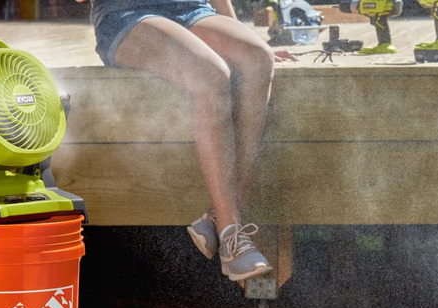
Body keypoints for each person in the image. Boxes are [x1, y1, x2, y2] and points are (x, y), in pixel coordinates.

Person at [77, 0, 297, 281]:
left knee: (257, 58)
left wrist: (241, 37)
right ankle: (231, 235)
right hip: (128, 15)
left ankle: (222, 213)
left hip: (191, 9)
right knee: (211, 72)